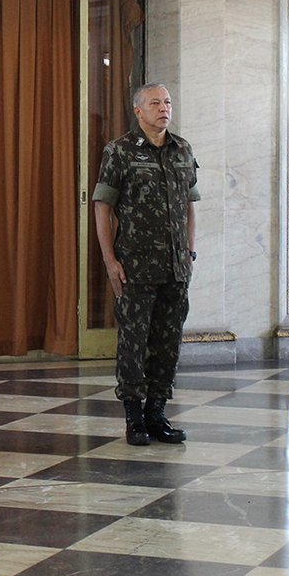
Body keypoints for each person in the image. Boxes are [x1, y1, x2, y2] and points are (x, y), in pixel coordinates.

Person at [92, 82, 199, 446]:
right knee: (134, 343)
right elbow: (102, 207)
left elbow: (189, 206)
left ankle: (157, 413)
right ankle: (134, 417)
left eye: (167, 101)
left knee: (168, 343)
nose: (163, 108)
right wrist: (109, 261)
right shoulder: (120, 152)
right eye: (155, 103)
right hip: (135, 267)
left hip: (175, 268)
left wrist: (190, 251)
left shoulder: (182, 150)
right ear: (138, 111)